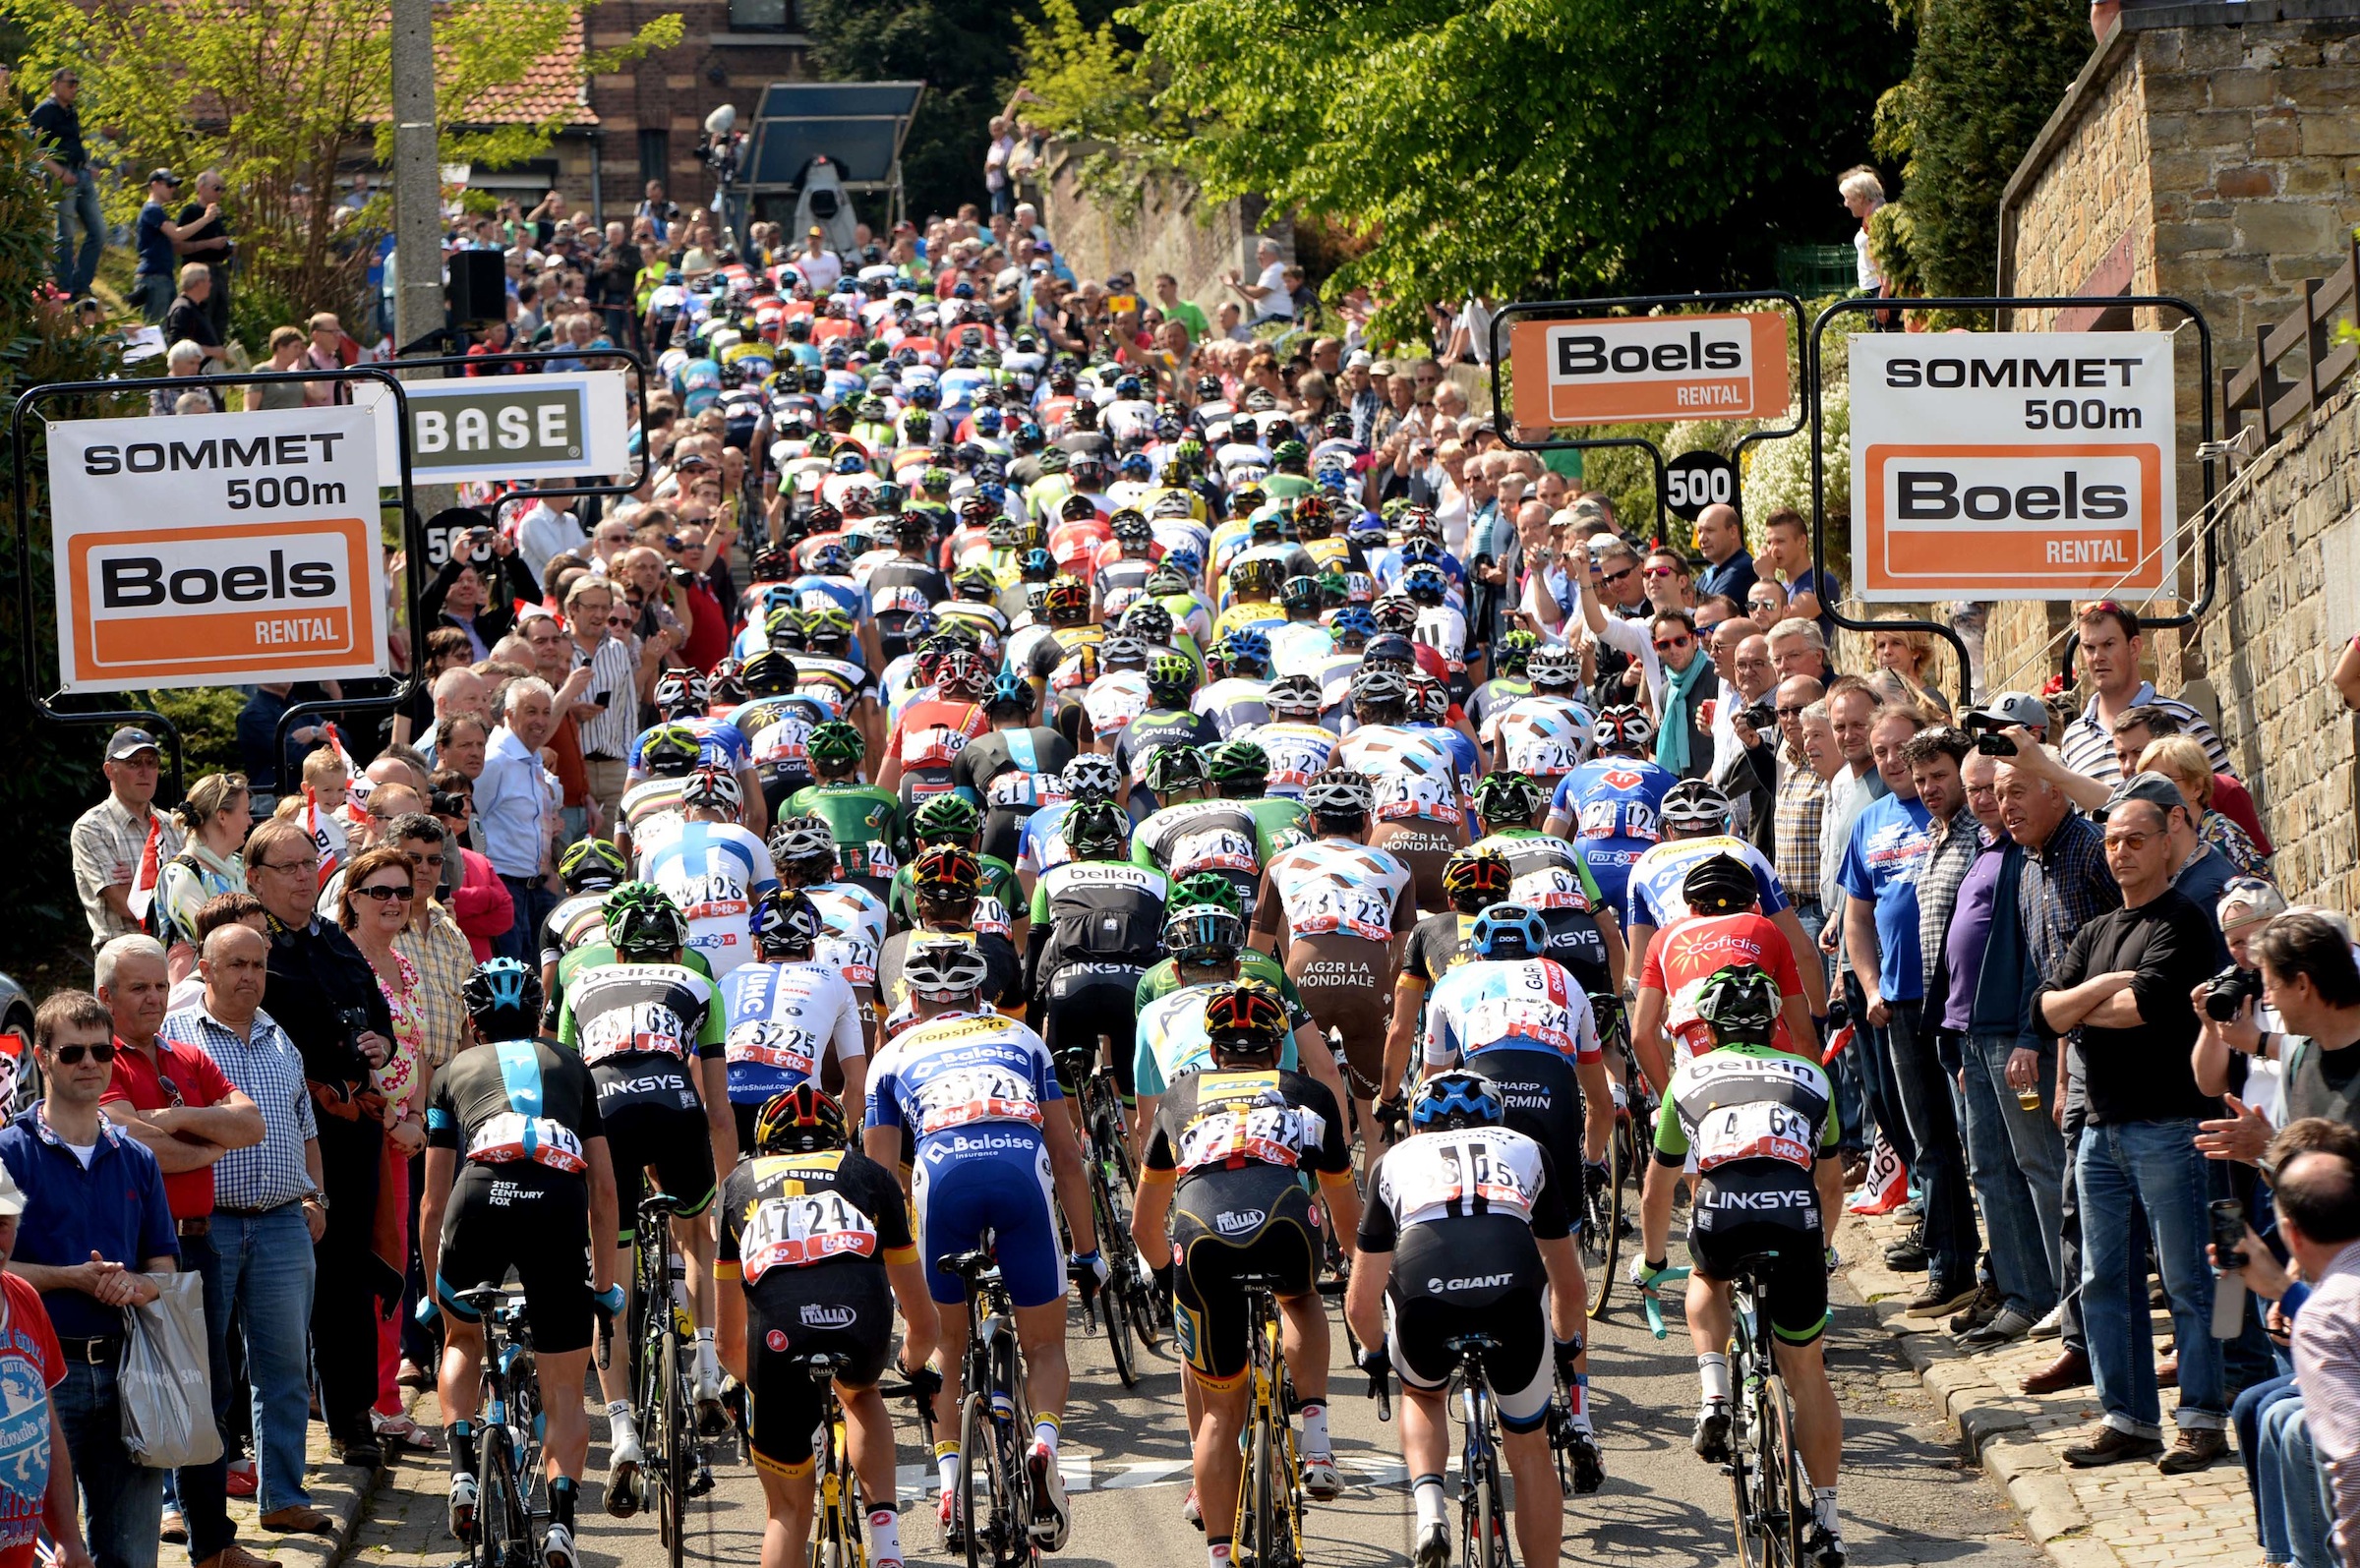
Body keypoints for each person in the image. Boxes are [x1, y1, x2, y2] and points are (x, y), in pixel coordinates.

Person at [861, 939, 1098, 1554]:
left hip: (941, 1178)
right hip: (1022, 1172)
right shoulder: (1022, 1040)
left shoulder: (890, 1055)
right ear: (983, 994)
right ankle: (1043, 1444)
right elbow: (1070, 1160)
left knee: (948, 1352)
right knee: (1044, 1346)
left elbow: (878, 1181)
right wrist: (1090, 1253)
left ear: (911, 999)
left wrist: (882, 1273)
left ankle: (948, 1490)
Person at [2037, 772, 2229, 1473]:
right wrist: (2095, 992)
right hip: (2099, 1128)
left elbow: (2144, 1007)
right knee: (2103, 1281)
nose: (2120, 852)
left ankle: (2204, 1417)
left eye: (2135, 840)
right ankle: (2129, 1419)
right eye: (2113, 840)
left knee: (2187, 1280)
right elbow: (2045, 1011)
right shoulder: (2095, 929)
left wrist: (2082, 1003)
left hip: (2170, 1125)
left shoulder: (2182, 920)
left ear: (2164, 843)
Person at [1131, 980, 1361, 1543]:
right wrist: (1355, 1267)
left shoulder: (1178, 1099)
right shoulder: (1308, 1092)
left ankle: (1216, 1555)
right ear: (1278, 1046)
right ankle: (1317, 1438)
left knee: (1217, 1416)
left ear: (1213, 1052)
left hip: (1201, 1237)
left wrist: (1170, 1279)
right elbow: (1345, 1211)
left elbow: (1142, 1225)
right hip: (1283, 1223)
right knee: (1300, 1297)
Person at [419, 959, 620, 1568]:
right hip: (557, 1199)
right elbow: (606, 1193)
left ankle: (461, 1473)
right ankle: (559, 1525)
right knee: (564, 1389)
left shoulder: (450, 1071)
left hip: (480, 1194)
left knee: (463, 1340)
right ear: (538, 1012)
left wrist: (436, 1295)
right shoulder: (572, 1067)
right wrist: (605, 1289)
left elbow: (432, 1201)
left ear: (472, 1021)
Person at [1647, 965, 1849, 1568]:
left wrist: (1654, 1260)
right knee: (1807, 1374)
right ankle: (1830, 1524)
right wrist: (1825, 1247)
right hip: (1796, 1217)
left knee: (1706, 1278)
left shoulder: (1687, 1076)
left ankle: (1713, 1396)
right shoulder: (1812, 1074)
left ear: (1706, 1026)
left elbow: (1658, 1191)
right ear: (1775, 1021)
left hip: (1723, 1210)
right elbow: (1832, 1184)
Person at [1346, 1071, 1580, 1568]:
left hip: (1425, 1291)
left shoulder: (1392, 1161)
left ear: (1416, 1126)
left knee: (1424, 1393)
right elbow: (1570, 1282)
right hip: (1511, 1288)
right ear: (1496, 1119)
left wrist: (1373, 1354)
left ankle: (1431, 1513)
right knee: (1529, 1446)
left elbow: (1361, 1302)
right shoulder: (1526, 1148)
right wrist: (1562, 1344)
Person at [1416, 902, 1612, 1491]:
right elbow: (1599, 1101)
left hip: (1486, 1083)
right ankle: (1578, 1416)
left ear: (1479, 947)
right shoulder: (1566, 979)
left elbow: (1433, 1089)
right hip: (1553, 1096)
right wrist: (1594, 1164)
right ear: (1538, 946)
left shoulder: (1451, 980)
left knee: (1484, 1204)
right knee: (1562, 1262)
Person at [553, 882, 738, 1499]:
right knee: (698, 1238)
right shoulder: (698, 985)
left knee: (612, 1283)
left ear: (616, 946)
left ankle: (624, 1431)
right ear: (679, 946)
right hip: (676, 1113)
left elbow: (566, 1082)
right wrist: (734, 1186)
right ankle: (708, 1368)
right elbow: (717, 1109)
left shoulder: (578, 984)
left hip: (606, 1119)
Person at [92, 938, 269, 1568]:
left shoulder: (186, 1055)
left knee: (209, 1394)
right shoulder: (97, 1059)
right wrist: (203, 1138)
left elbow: (251, 1125)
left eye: (160, 987)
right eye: (138, 988)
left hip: (199, 1243)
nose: (154, 999)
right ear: (106, 996)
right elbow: (132, 1146)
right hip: (132, 1253)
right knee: (132, 1395)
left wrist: (166, 1119)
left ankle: (214, 1546)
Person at [717, 1085, 938, 1568]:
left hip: (776, 1346)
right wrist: (912, 1363)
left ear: (764, 1148)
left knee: (786, 1512)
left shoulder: (736, 1186)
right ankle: (887, 1548)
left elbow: (728, 1341)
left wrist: (747, 1384)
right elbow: (923, 1318)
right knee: (861, 1394)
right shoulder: (871, 1176)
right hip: (858, 1329)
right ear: (841, 1141)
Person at [0, 992, 179, 1568]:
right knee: (45, 1553)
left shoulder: (137, 1157)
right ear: (42, 1056)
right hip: (37, 1381)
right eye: (72, 1050)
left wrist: (137, 1287)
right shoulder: (8, 1152)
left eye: (100, 1050)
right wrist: (70, 1279)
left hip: (130, 1370)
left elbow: (164, 1265)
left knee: (132, 1555)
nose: (89, 1063)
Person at [239, 818, 395, 1471]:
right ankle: (271, 1436)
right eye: (290, 867)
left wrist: (379, 1044)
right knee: (286, 1279)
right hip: (283, 1133)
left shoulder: (333, 940)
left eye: (310, 864)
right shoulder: (251, 951)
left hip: (350, 1129)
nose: (306, 876)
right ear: (255, 878)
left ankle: (352, 1415)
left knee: (349, 1271)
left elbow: (378, 1016)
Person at [1839, 707, 1978, 1316]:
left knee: (1977, 1140)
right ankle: (1951, 1267)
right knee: (1928, 1140)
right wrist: (1870, 988)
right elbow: (1857, 916)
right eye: (1884, 751)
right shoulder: (1869, 821)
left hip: (1956, 1001)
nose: (1896, 763)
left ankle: (1997, 1268)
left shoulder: (1961, 816)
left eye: (1904, 750)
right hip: (1897, 1001)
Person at [716, 889, 868, 1153]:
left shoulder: (729, 979)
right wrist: (836, 1142)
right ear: (811, 949)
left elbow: (701, 1077)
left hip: (733, 1112)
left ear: (757, 947)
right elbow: (856, 1086)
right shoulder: (835, 981)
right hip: (799, 1113)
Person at [2055, 602, 2229, 784]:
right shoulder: (2074, 738)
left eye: (2108, 644)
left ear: (2134, 647)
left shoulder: (2183, 719)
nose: (2098, 657)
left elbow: (2228, 798)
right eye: (2089, 648)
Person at [71, 727, 185, 956]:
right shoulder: (92, 828)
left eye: (151, 762)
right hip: (123, 956)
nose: (145, 771)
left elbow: (198, 888)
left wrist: (139, 887)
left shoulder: (173, 824)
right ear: (109, 770)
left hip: (176, 954)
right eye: (133, 763)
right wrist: (175, 893)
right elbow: (125, 904)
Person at [477, 678, 561, 962]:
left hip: (533, 887)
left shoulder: (531, 757)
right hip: (504, 885)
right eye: (531, 711)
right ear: (509, 715)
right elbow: (473, 819)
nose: (540, 721)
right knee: (514, 976)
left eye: (546, 712)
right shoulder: (495, 760)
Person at [31, 71, 102, 298]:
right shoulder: (45, 111)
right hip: (62, 177)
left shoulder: (71, 111)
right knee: (66, 233)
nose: (75, 88)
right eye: (71, 83)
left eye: (77, 83)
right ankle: (65, 287)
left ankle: (81, 284)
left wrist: (87, 167)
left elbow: (73, 143)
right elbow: (34, 148)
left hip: (81, 174)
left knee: (99, 231)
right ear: (55, 84)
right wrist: (59, 172)